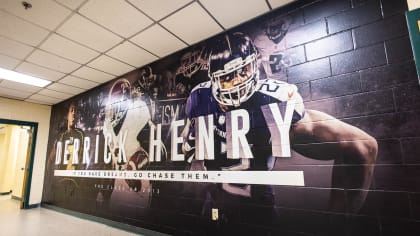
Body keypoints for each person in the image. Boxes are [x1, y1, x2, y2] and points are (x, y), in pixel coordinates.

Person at [182, 32, 378, 222]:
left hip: (258, 217)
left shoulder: (272, 103)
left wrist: (336, 224)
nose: (238, 81)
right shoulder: (200, 100)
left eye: (244, 71)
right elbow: (192, 158)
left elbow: (363, 147)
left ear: (254, 65)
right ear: (213, 80)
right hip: (215, 211)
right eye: (228, 76)